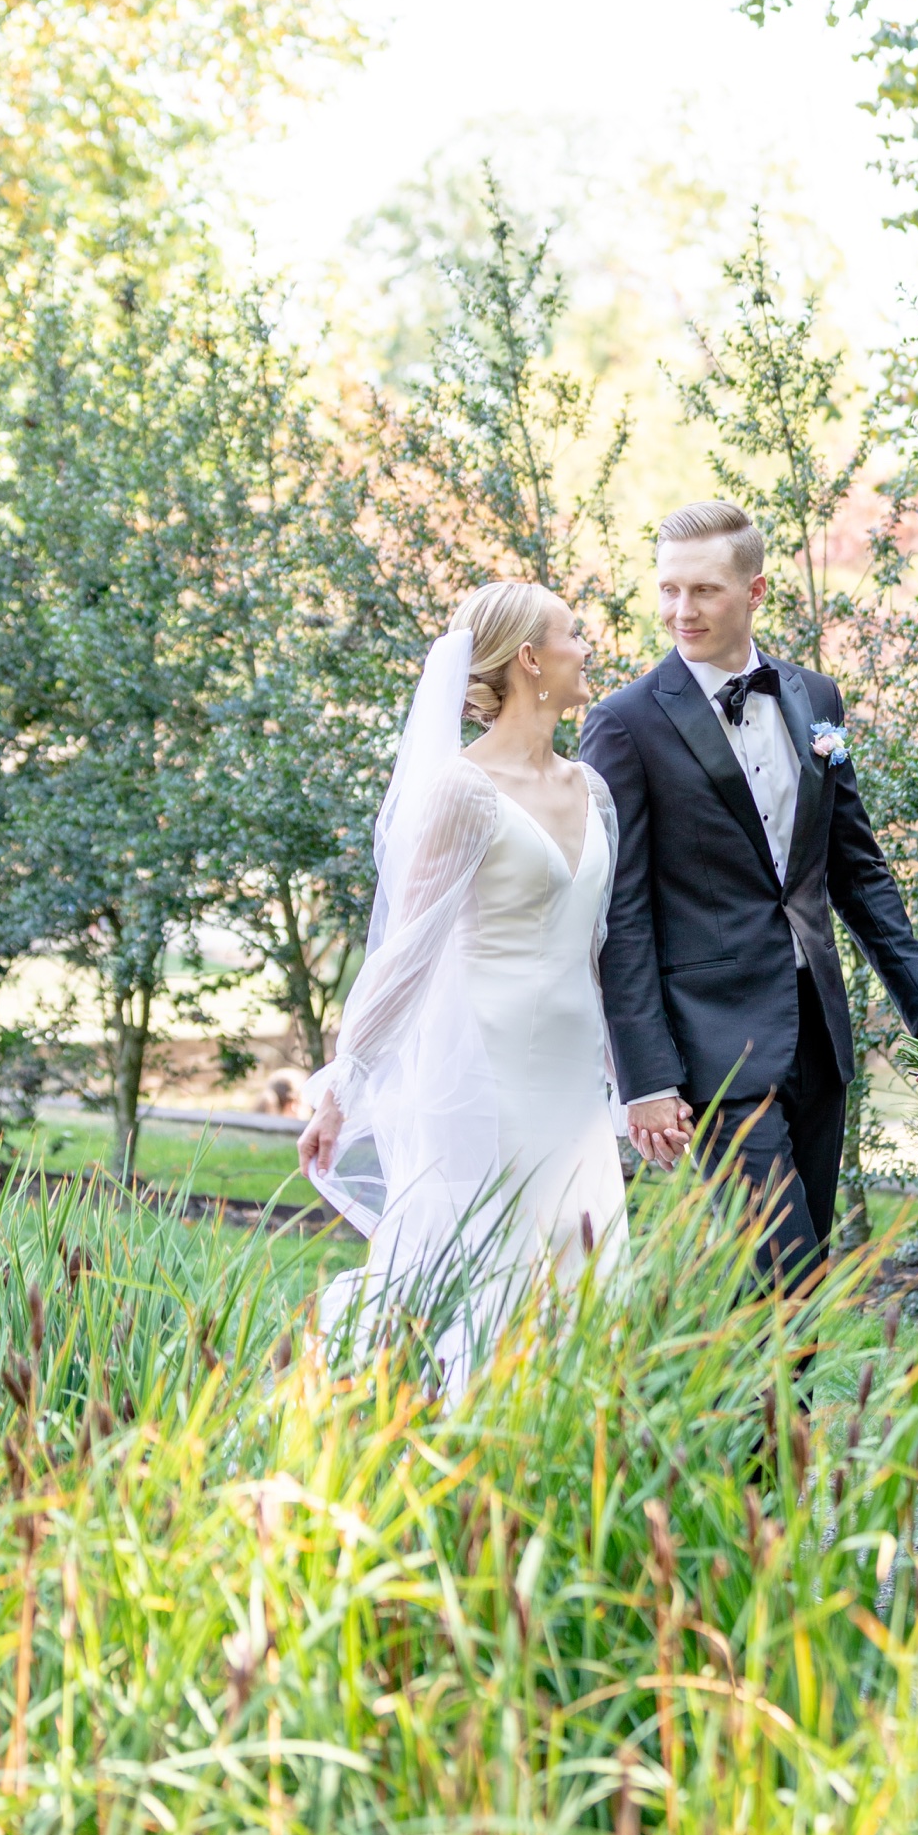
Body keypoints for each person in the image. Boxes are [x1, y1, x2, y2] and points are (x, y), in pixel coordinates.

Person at [297, 581, 692, 1369]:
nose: (588, 648)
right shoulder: (463, 791)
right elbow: (406, 953)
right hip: (483, 1074)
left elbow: (602, 949)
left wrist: (638, 1082)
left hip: (570, 1084)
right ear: (529, 660)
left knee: (579, 1284)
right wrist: (345, 1085)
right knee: (486, 1280)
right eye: (572, 634)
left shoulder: (594, 790)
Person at [581, 501, 918, 1288]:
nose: (680, 612)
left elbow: (858, 874)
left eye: (704, 592)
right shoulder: (623, 724)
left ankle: (764, 1415)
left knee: (799, 1271)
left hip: (817, 1041)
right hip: (712, 1050)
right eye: (667, 591)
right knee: (781, 1271)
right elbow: (619, 917)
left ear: (754, 592)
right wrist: (647, 1080)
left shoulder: (814, 699)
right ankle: (772, 1415)